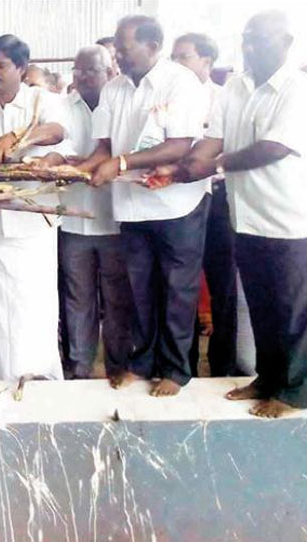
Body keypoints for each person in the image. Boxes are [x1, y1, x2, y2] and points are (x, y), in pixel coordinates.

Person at [158, 10, 307, 418]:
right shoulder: (235, 87)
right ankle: (268, 377)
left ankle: (294, 392)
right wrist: (182, 168)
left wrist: (216, 164)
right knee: (260, 304)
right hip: (246, 216)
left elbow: (273, 147)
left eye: (260, 39)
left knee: (292, 310)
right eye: (247, 39)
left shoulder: (297, 88)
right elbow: (212, 139)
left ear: (287, 43)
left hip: (289, 219)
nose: (251, 47)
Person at [77, 15, 208, 397]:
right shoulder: (115, 88)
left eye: (124, 46)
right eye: (116, 46)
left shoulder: (180, 82)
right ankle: (142, 362)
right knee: (140, 291)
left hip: (176, 206)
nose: (117, 53)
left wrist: (120, 164)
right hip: (132, 206)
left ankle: (177, 370)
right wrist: (72, 169)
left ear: (153, 46)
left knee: (176, 290)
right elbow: (103, 146)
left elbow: (180, 144)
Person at [0, 34, 69, 382]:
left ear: (21, 68)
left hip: (35, 223)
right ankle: (4, 375)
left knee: (34, 303)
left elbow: (56, 132)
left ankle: (39, 373)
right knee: (0, 307)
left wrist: (16, 139)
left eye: (1, 65)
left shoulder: (42, 100)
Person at [38, 46, 134, 379]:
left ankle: (118, 367)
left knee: (117, 301)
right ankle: (79, 368)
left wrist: (80, 163)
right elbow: (58, 153)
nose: (81, 77)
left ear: (110, 72)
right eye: (77, 71)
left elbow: (119, 156)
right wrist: (68, 162)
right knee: (77, 300)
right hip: (75, 220)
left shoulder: (121, 105)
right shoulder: (62, 108)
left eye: (90, 70)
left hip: (116, 220)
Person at [172, 32, 239, 378]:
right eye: (174, 57)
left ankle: (224, 364)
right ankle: (182, 364)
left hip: (219, 197)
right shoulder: (167, 97)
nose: (177, 64)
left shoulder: (225, 99)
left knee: (222, 281)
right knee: (181, 283)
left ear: (207, 62)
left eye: (184, 57)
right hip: (177, 200)